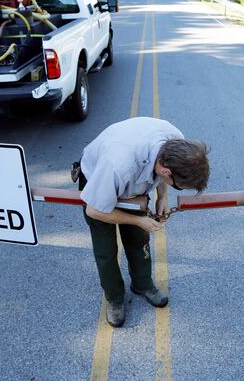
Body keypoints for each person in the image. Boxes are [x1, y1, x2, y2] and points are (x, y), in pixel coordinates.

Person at [75, 117, 210, 327]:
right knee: (106, 250)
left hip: (135, 185)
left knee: (139, 241)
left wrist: (163, 197)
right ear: (166, 171)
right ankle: (114, 298)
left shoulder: (177, 142)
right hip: (98, 183)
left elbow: (163, 178)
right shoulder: (118, 164)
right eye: (178, 186)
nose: (176, 188)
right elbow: (94, 210)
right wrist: (139, 221)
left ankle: (142, 284)